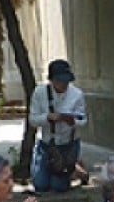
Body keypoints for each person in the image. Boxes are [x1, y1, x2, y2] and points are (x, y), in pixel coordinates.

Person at [28, 59, 88, 193]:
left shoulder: (77, 94)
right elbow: (33, 120)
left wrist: (73, 121)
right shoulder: (39, 93)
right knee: (40, 185)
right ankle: (75, 169)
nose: (64, 85)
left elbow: (83, 120)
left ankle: (74, 169)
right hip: (47, 143)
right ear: (52, 80)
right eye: (60, 81)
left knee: (58, 187)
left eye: (66, 81)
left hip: (68, 144)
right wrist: (48, 118)